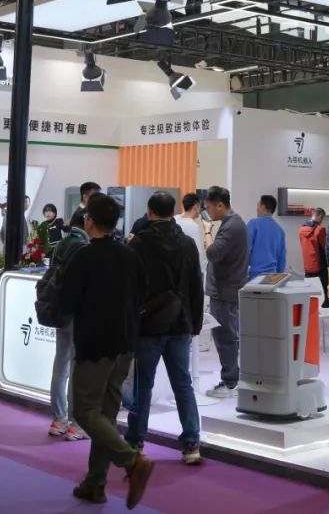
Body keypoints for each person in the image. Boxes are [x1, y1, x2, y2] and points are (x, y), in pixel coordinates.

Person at [57, 194, 153, 510]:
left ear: (89, 222)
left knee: (85, 411)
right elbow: (143, 294)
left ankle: (132, 461)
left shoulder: (84, 257)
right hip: (124, 343)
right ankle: (96, 483)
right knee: (106, 414)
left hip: (95, 344)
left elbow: (66, 302)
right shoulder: (130, 255)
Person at [126, 192, 204, 464]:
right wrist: (195, 323)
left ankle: (136, 442)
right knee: (183, 383)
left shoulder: (139, 244)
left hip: (148, 323)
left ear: (149, 212)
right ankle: (191, 443)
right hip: (180, 322)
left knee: (142, 385)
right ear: (173, 212)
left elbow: (130, 289)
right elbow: (196, 286)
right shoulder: (187, 244)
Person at [202, 185, 248, 399]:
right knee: (225, 336)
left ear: (220, 205)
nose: (208, 211)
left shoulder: (232, 226)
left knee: (224, 337)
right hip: (225, 290)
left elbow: (213, 253)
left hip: (225, 291)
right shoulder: (233, 224)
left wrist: (207, 231)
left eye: (209, 207)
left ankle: (230, 382)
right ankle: (231, 378)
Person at [46, 216, 89, 441]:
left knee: (60, 363)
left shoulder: (61, 244)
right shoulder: (83, 247)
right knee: (75, 367)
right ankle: (75, 422)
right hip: (76, 313)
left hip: (59, 311)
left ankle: (58, 419)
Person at [247, 195, 286, 278]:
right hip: (272, 276)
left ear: (262, 206)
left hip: (254, 276)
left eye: (258, 205)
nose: (257, 209)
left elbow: (245, 249)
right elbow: (281, 258)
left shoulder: (253, 224)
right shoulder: (280, 230)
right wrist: (278, 277)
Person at [300, 208, 329, 301]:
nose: (322, 221)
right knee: (322, 294)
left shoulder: (301, 229)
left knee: (309, 295)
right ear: (320, 216)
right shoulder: (321, 229)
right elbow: (325, 247)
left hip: (307, 267)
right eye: (322, 218)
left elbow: (302, 245)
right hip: (320, 266)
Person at [175, 193, 206, 276]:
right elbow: (198, 251)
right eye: (199, 207)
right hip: (189, 270)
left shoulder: (175, 219)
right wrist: (202, 269)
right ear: (195, 207)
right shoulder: (193, 226)